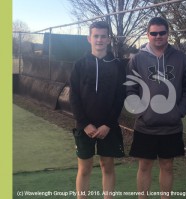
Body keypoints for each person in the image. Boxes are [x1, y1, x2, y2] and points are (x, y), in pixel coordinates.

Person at [125, 17, 186, 199]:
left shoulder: (182, 58)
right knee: (144, 166)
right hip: (145, 125)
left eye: (162, 32)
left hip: (171, 125)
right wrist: (140, 112)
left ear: (168, 34)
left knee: (167, 166)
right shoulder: (137, 59)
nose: (158, 36)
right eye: (153, 33)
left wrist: (179, 112)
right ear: (148, 35)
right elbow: (130, 88)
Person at [69, 21, 125, 199]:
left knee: (107, 166)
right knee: (84, 169)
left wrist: (108, 124)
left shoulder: (117, 65)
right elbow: (74, 96)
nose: (99, 39)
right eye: (96, 36)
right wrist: (84, 124)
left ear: (109, 39)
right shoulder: (79, 64)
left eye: (103, 36)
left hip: (107, 127)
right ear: (89, 38)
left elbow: (119, 97)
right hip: (84, 127)